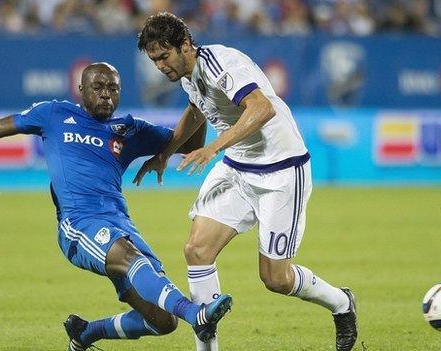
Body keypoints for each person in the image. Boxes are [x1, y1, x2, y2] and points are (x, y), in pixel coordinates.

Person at [0, 62, 233, 351]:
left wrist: (197, 102)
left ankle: (85, 333)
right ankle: (197, 315)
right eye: (98, 87)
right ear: (80, 91)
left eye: (113, 88)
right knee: (134, 262)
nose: (106, 94)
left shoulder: (129, 129)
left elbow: (190, 144)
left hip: (121, 226)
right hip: (78, 224)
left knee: (162, 321)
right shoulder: (53, 114)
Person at [134, 12, 357, 351]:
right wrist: (167, 153)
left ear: (185, 46)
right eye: (154, 60)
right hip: (238, 168)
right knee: (196, 249)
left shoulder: (222, 63)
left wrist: (212, 148)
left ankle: (341, 302)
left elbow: (262, 108)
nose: (161, 66)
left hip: (281, 170)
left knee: (276, 278)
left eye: (164, 56)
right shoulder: (186, 74)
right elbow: (197, 109)